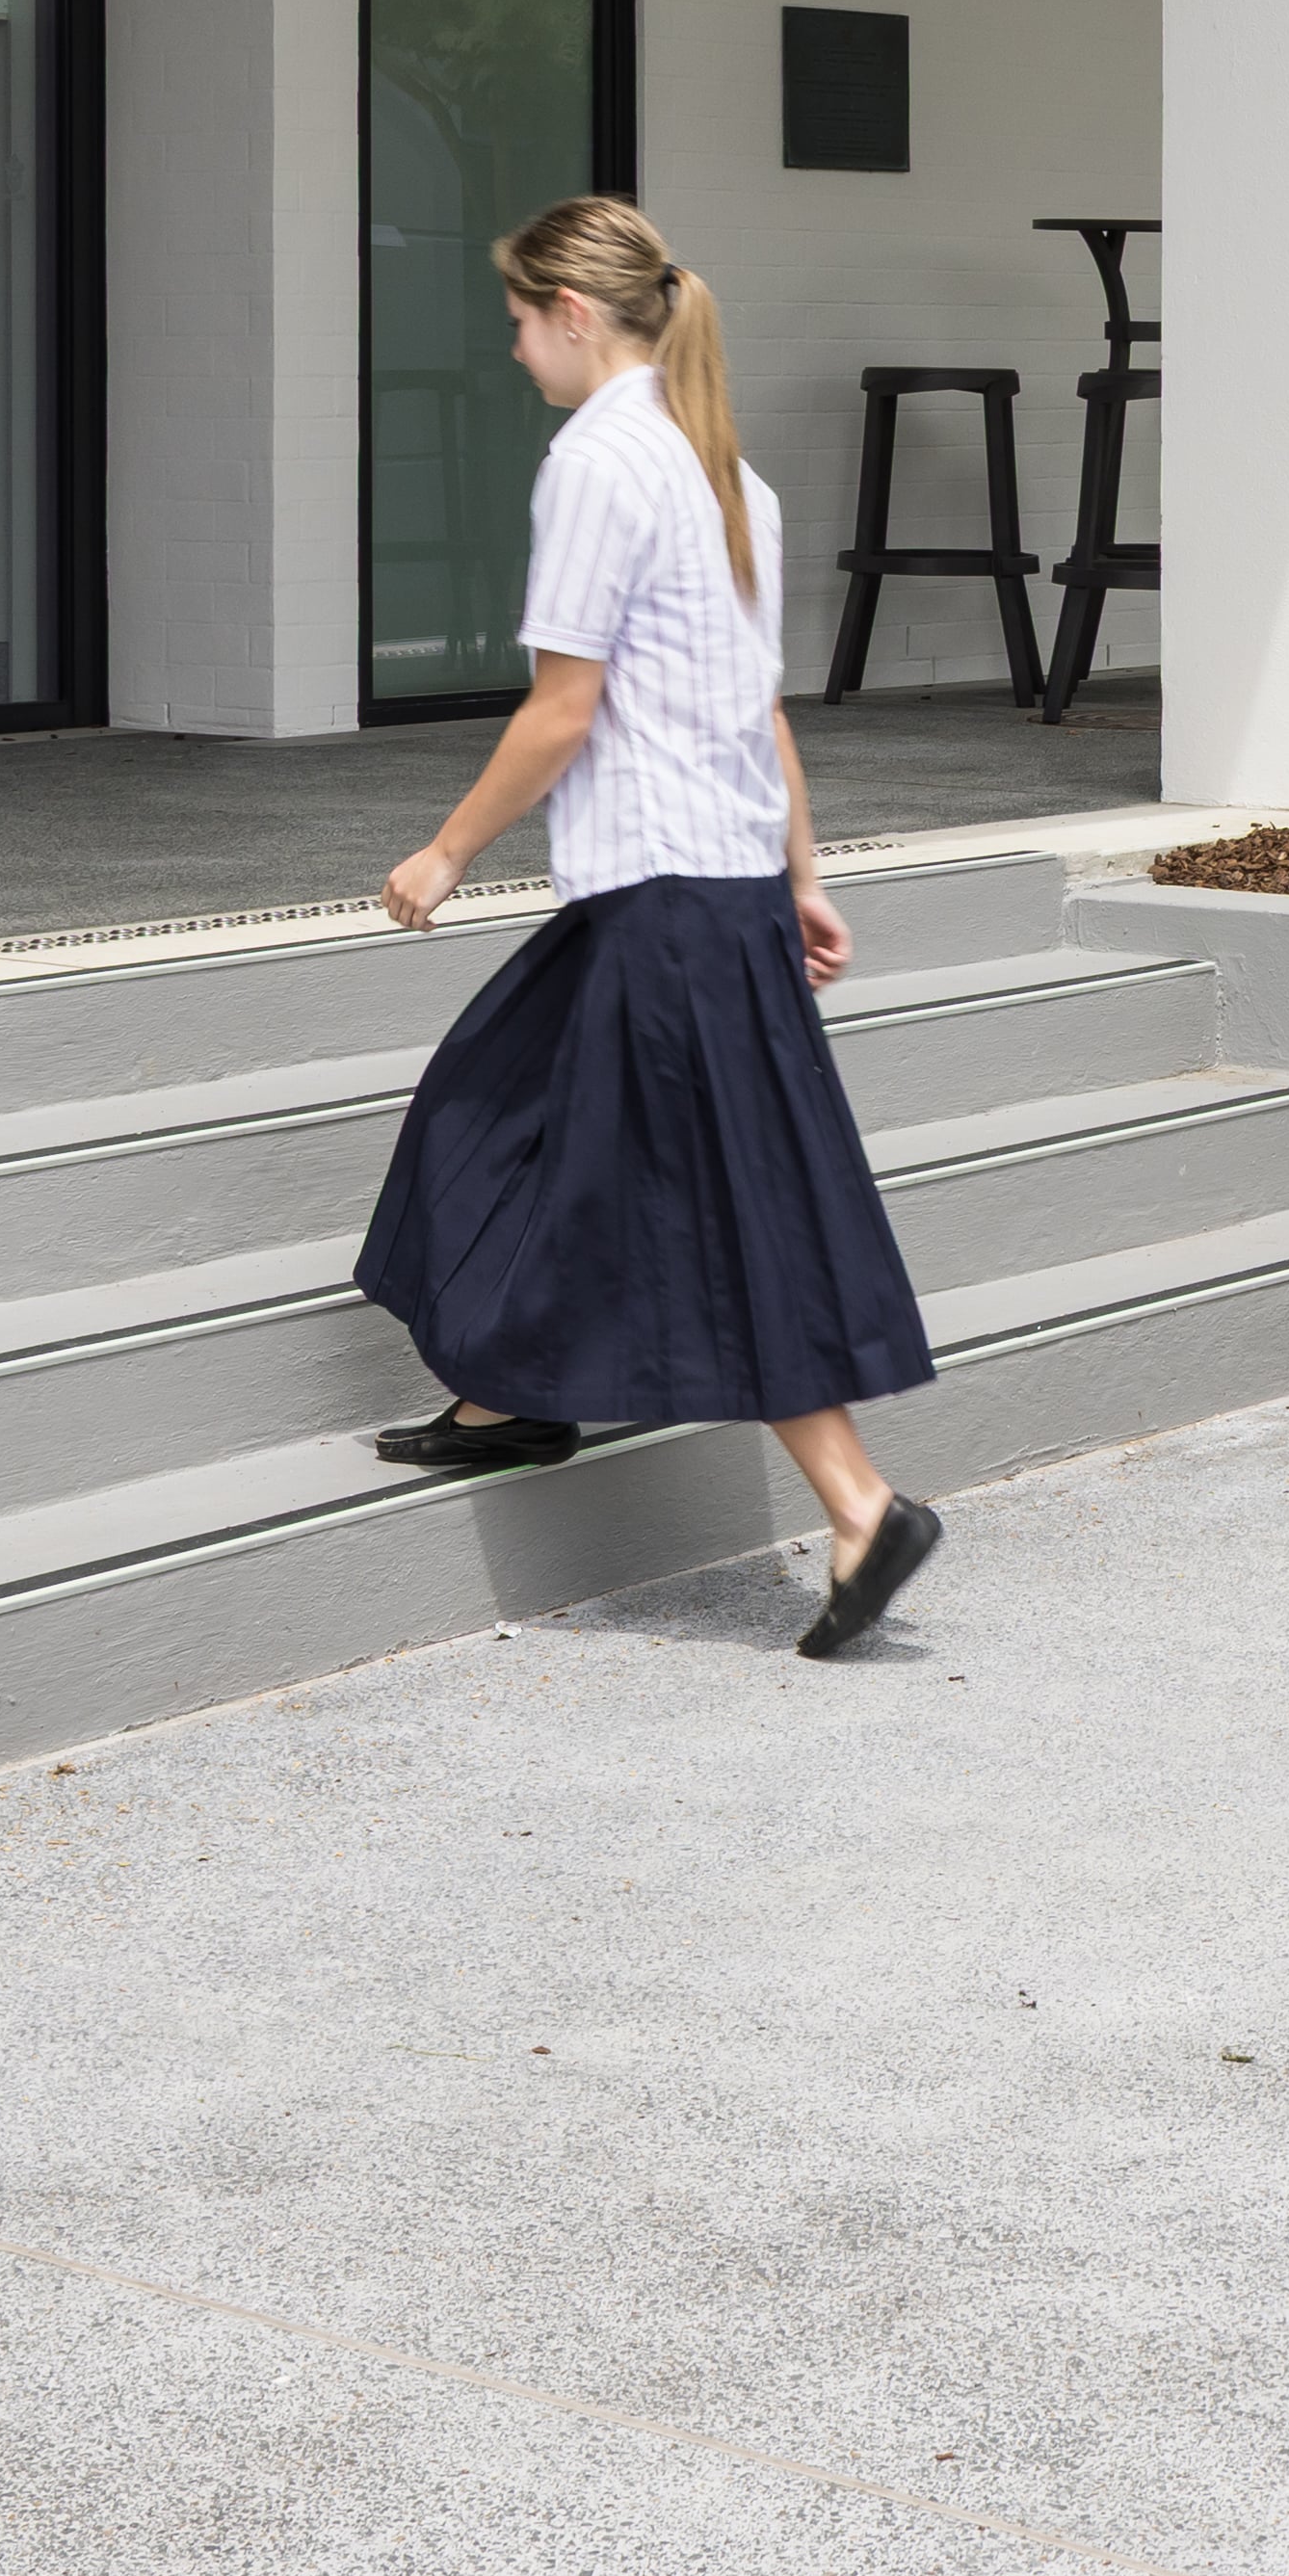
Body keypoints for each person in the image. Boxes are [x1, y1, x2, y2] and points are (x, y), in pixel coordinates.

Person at [350, 195, 945, 1655]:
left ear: (571, 312)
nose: (507, 350)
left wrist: (442, 849)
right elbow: (758, 710)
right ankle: (510, 1394)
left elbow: (566, 705)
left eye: (512, 320)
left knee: (721, 1201)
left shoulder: (600, 460)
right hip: (704, 882)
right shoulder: (723, 468)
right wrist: (800, 874)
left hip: (667, 897)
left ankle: (860, 1505)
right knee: (501, 1109)